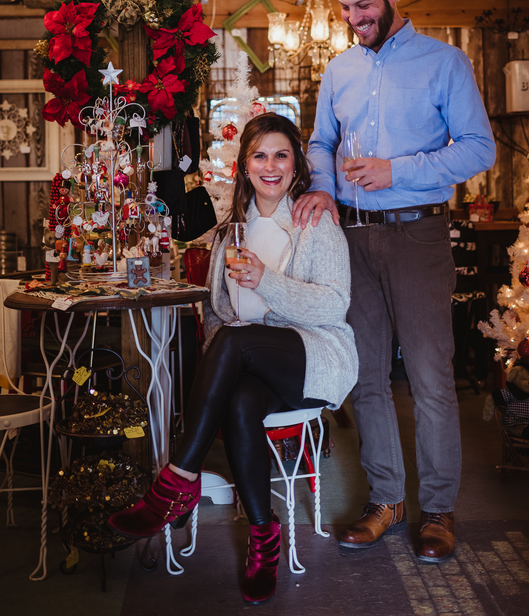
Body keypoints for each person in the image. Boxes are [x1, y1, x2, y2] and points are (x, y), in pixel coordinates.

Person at [293, 0, 496, 563]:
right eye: (345, 7)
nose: (354, 17)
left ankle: (437, 509)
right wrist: (325, 190)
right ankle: (388, 500)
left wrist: (397, 170)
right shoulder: (339, 71)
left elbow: (478, 149)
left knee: (432, 377)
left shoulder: (446, 63)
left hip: (418, 234)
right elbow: (320, 142)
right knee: (368, 377)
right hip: (352, 239)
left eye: (363, 3)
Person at [109, 113, 358, 604]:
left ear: (296, 166)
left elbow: (334, 306)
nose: (271, 166)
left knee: (238, 343)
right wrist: (220, 382)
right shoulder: (230, 235)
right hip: (251, 364)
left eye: (281, 155)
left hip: (315, 355)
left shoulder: (314, 222)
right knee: (241, 399)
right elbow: (221, 318)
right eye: (260, 156)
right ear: (245, 167)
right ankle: (264, 541)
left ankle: (175, 482)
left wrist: (266, 280)